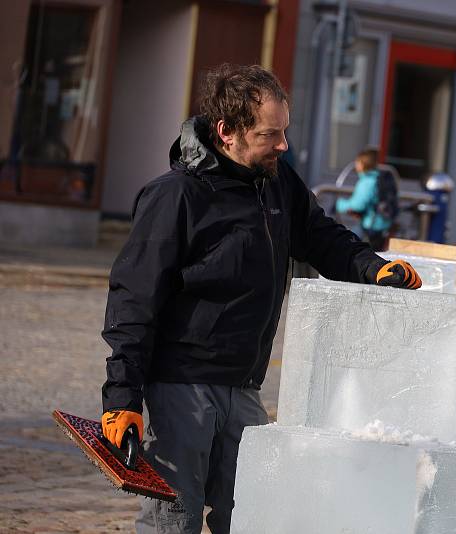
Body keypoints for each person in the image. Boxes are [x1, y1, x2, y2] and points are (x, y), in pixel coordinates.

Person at [100, 64, 422, 534]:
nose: (283, 145)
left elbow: (320, 237)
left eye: (284, 131)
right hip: (180, 390)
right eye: (271, 134)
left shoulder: (277, 182)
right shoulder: (176, 198)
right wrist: (122, 395)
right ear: (227, 132)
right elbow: (133, 301)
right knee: (173, 522)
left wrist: (373, 267)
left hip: (244, 389)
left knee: (256, 515)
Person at [335, 147, 394, 251]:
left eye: (357, 162)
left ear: (362, 163)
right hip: (382, 226)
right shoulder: (379, 179)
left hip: (370, 227)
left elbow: (358, 205)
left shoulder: (367, 181)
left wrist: (339, 205)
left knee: (347, 247)